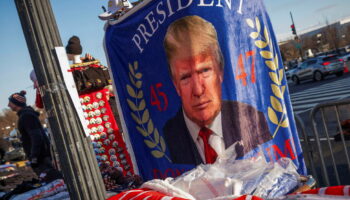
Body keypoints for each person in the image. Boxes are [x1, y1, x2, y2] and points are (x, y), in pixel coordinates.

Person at [162, 16, 272, 165]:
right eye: (185, 77)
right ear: (175, 85)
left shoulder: (251, 118)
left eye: (205, 71)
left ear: (220, 72)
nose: (198, 90)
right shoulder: (166, 136)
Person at [8, 90, 52, 175]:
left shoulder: (26, 116)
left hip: (41, 159)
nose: (8, 105)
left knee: (50, 181)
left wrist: (34, 158)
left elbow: (37, 137)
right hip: (41, 157)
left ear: (17, 103)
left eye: (10, 102)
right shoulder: (26, 115)